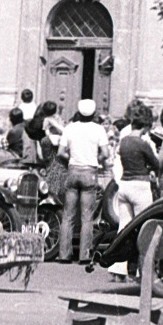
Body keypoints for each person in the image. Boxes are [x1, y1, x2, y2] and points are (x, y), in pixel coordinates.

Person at [56, 98, 110, 265]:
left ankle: (64, 254)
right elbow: (106, 153)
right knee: (87, 216)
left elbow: (60, 152)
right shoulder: (99, 129)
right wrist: (97, 160)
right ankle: (84, 255)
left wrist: (70, 159)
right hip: (90, 171)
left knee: (68, 215)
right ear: (93, 114)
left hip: (73, 170)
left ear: (78, 112)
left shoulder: (70, 128)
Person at [109, 105, 159, 278]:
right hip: (140, 186)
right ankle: (142, 270)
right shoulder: (143, 143)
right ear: (146, 126)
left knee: (123, 228)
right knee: (145, 228)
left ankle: (117, 269)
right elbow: (156, 163)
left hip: (124, 186)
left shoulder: (124, 142)